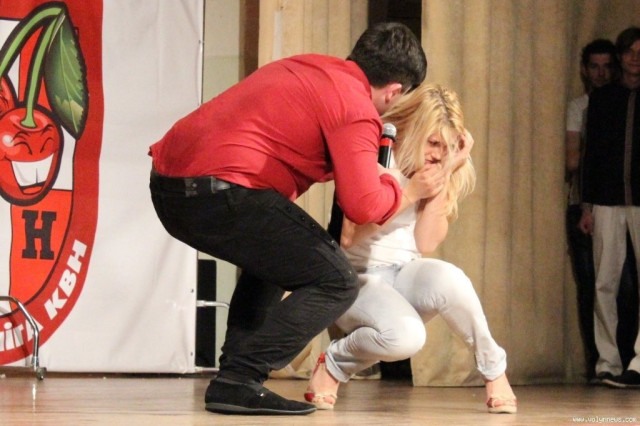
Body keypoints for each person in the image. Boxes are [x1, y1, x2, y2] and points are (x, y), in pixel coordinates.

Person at [149, 22, 431, 415]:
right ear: (394, 91)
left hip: (168, 187)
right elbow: (364, 206)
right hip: (218, 191)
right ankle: (240, 376)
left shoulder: (310, 67)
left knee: (276, 258)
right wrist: (401, 187)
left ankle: (236, 382)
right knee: (336, 280)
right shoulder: (355, 108)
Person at [304, 83, 517, 413]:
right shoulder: (377, 151)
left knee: (452, 278)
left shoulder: (436, 168)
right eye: (433, 142)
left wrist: (447, 172)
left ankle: (494, 371)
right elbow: (349, 236)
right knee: (407, 338)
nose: (437, 154)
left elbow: (426, 242)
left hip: (403, 274)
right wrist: (410, 193)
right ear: (415, 128)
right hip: (355, 279)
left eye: (446, 146)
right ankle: (334, 364)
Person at [580, 26, 640, 388]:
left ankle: (639, 362)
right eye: (630, 51)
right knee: (604, 282)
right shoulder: (603, 99)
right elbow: (591, 156)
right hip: (605, 200)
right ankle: (608, 362)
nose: (635, 58)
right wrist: (586, 205)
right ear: (621, 56)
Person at [565, 38, 620, 382]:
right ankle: (598, 362)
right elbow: (573, 160)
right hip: (584, 200)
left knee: (622, 286)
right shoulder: (581, 106)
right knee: (591, 286)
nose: (601, 74)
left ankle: (623, 359)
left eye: (607, 66)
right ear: (585, 70)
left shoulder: (622, 101)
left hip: (619, 200)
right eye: (594, 67)